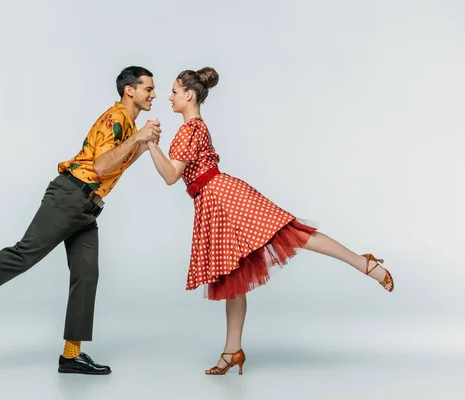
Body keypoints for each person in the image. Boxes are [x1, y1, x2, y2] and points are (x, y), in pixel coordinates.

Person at [144, 67, 394, 375]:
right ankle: (232, 351)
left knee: (291, 233)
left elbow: (171, 176)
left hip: (221, 196)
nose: (168, 97)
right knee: (233, 279)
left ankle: (364, 264)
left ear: (189, 95)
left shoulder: (188, 129)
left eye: (173, 91)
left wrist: (150, 144)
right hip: (213, 202)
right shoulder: (196, 126)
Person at [0, 66, 161, 375]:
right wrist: (137, 136)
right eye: (148, 88)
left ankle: (71, 354)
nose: (154, 94)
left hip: (87, 208)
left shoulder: (128, 123)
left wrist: (144, 145)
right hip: (69, 198)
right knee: (24, 254)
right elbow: (100, 166)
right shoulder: (115, 119)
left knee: (87, 273)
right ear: (129, 90)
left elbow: (118, 164)